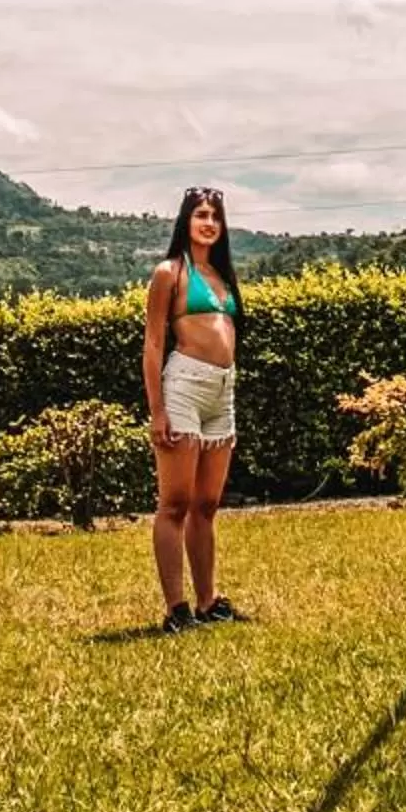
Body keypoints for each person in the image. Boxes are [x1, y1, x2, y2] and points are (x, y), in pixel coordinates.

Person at [143, 186, 244, 633]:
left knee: (207, 505)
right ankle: (176, 609)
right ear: (185, 220)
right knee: (176, 504)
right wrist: (157, 411)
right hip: (183, 385)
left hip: (222, 392)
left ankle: (208, 601)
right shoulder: (170, 272)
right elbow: (153, 343)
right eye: (201, 214)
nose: (209, 223)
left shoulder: (222, 276)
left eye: (215, 217)